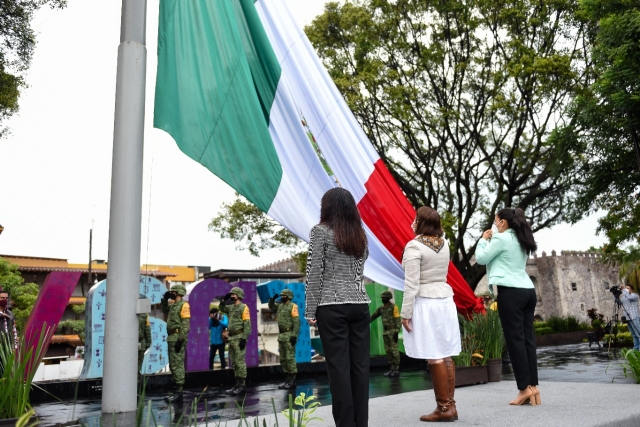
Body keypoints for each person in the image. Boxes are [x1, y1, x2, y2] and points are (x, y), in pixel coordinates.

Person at [305, 187, 370, 427]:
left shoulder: (319, 232)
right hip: (360, 304)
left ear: (327, 207)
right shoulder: (360, 234)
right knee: (360, 369)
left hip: (331, 306)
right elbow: (360, 268)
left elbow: (314, 273)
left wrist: (310, 310)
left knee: (339, 370)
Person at [401, 206, 461, 422]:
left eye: (415, 218)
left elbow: (411, 283)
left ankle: (443, 408)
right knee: (445, 353)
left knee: (434, 353)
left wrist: (405, 312)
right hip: (445, 300)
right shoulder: (444, 244)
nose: (413, 221)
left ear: (421, 222)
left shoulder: (414, 246)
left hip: (426, 302)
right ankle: (450, 406)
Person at [476, 207, 540, 406]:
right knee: (528, 339)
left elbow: (481, 258)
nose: (494, 225)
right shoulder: (521, 238)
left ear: (503, 222)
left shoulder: (500, 239)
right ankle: (534, 387)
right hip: (528, 291)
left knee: (515, 341)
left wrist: (482, 239)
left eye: (496, 221)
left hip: (511, 292)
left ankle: (523, 389)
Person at [218, 287, 251, 395]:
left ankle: (242, 385)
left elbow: (247, 324)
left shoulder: (243, 307)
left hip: (239, 337)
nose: (232, 296)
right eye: (231, 294)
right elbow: (222, 308)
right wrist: (223, 300)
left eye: (234, 294)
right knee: (234, 363)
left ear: (239, 295)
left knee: (240, 362)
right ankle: (236, 384)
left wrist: (244, 338)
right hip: (231, 338)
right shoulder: (231, 307)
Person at [161, 284, 191, 403]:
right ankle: (176, 390)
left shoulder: (184, 305)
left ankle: (179, 392)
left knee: (178, 364)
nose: (171, 293)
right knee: (173, 364)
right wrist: (164, 299)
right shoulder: (173, 305)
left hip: (178, 337)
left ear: (178, 293)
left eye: (173, 292)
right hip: (171, 337)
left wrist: (180, 340)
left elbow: (185, 324)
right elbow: (164, 310)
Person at [269, 289, 301, 389]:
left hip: (289, 334)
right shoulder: (280, 306)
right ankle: (287, 379)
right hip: (282, 335)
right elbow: (272, 307)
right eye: (281, 296)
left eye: (284, 296)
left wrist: (294, 335)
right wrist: (271, 300)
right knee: (283, 359)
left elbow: (296, 322)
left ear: (288, 296)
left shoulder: (293, 306)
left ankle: (292, 380)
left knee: (290, 358)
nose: (282, 297)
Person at [370, 290, 401, 377]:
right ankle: (391, 368)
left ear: (388, 298)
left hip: (393, 331)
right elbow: (373, 316)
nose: (383, 299)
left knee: (394, 351)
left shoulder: (394, 307)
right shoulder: (381, 308)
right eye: (382, 298)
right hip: (385, 332)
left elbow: (398, 320)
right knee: (388, 350)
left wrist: (397, 331)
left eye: (384, 298)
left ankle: (396, 369)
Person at [621, 284, 640, 351]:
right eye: (626, 288)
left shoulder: (635, 295)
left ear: (632, 289)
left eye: (628, 288)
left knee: (638, 334)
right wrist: (616, 295)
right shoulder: (624, 298)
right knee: (634, 335)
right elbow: (619, 303)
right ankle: (636, 349)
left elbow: (629, 297)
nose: (626, 290)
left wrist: (624, 290)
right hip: (627, 318)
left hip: (634, 316)